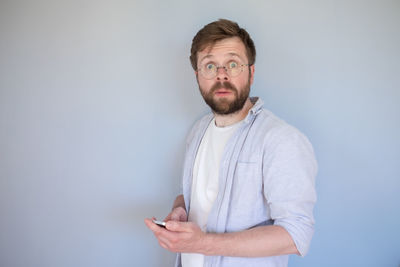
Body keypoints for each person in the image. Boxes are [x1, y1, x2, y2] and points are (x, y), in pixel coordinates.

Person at [145, 18, 317, 267]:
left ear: (251, 72)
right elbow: (198, 196)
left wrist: (202, 243)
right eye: (210, 66)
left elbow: (296, 235)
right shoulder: (198, 131)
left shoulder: (281, 140)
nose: (221, 75)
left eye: (233, 64)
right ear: (197, 76)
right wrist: (180, 211)